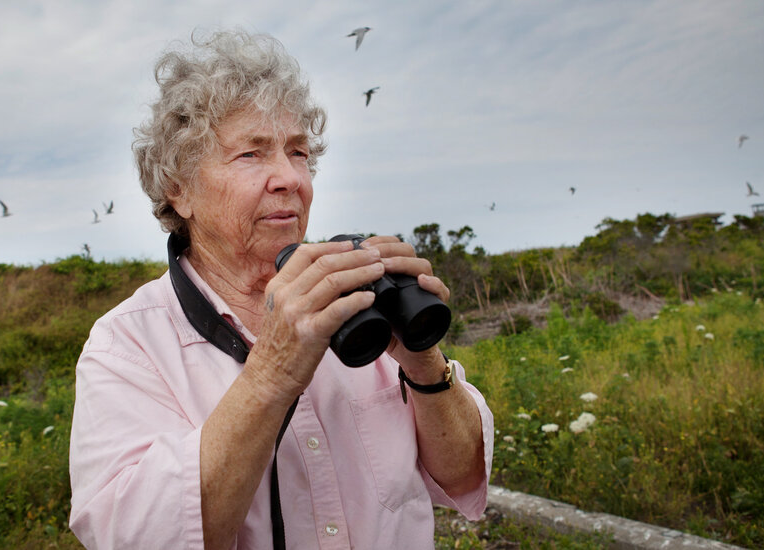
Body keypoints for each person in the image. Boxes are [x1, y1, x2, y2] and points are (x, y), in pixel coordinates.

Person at [68, 28, 494, 550]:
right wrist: (272, 372)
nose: (290, 178)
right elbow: (136, 537)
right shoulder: (127, 346)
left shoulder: (361, 297)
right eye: (252, 154)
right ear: (178, 189)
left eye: (297, 153)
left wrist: (423, 361)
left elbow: (463, 476)